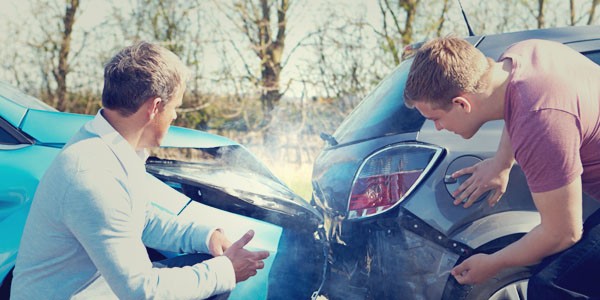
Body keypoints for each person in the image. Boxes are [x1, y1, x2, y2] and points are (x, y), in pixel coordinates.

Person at [11, 41, 269, 299]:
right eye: (175, 107)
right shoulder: (92, 174)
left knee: (206, 262)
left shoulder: (107, 148)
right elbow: (142, 292)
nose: (175, 117)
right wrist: (226, 272)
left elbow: (140, 220)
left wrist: (206, 235)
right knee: (216, 281)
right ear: (155, 107)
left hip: (98, 291)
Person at [404, 36, 600, 298]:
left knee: (552, 286)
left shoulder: (540, 120)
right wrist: (501, 162)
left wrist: (493, 263)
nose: (438, 128)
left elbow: (563, 233)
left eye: (436, 118)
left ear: (462, 104)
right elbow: (518, 106)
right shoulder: (521, 55)